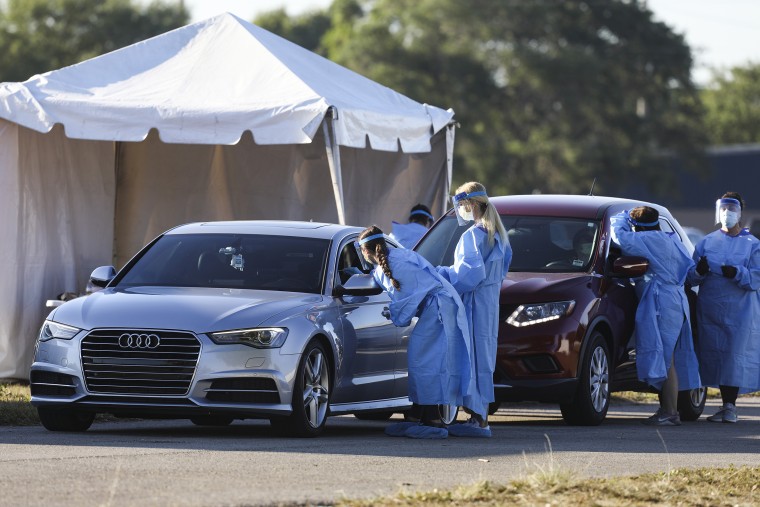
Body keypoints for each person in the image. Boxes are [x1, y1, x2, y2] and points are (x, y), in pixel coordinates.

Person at [357, 225, 472, 439]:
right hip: (442, 306)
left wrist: (390, 313)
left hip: (437, 309)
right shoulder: (398, 256)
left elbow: (403, 308)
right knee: (429, 362)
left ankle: (432, 419)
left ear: (366, 251)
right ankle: (416, 415)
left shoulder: (391, 266)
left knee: (424, 362)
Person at [610, 206, 701, 426]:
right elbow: (691, 273)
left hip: (661, 302)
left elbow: (618, 235)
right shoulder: (673, 240)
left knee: (665, 358)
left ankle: (670, 412)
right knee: (668, 356)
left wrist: (623, 215)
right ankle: (668, 409)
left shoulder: (644, 239)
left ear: (638, 226)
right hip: (676, 302)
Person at [436, 182, 512, 437]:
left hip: (474, 303)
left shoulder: (473, 236)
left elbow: (468, 275)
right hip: (489, 303)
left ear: (468, 204)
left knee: (471, 357)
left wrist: (443, 275)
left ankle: (478, 420)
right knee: (484, 358)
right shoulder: (498, 235)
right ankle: (480, 417)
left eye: (460, 206)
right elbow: (500, 271)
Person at [687, 192, 760, 423]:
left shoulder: (752, 244)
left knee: (733, 357)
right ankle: (721, 405)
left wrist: (737, 273)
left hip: (740, 312)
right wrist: (699, 271)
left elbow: (757, 278)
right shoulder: (707, 242)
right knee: (713, 354)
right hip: (711, 309)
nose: (727, 213)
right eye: (724, 208)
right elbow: (690, 277)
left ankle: (730, 406)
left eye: (732, 208)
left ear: (740, 212)